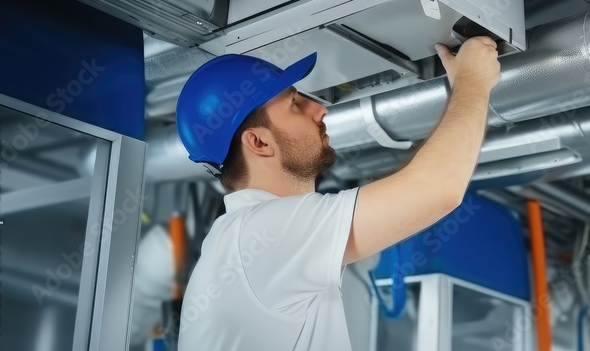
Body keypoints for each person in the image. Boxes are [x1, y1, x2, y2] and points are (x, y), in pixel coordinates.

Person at [173, 37, 500, 350]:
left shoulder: (246, 239)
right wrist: (474, 79)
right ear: (259, 143)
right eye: (294, 103)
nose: (320, 109)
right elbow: (437, 188)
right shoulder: (258, 237)